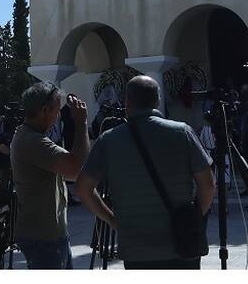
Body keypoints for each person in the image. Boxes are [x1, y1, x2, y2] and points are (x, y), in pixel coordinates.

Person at [74, 76, 215, 270]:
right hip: (182, 242)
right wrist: (193, 217)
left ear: (127, 101)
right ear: (157, 100)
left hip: (136, 248)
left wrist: (112, 219)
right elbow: (207, 184)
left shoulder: (109, 140)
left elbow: (83, 188)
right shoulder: (182, 132)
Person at [10, 82, 89, 269]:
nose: (59, 115)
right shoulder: (32, 141)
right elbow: (76, 169)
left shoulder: (33, 137)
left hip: (49, 236)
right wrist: (82, 123)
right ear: (45, 110)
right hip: (43, 239)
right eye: (57, 110)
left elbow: (69, 173)